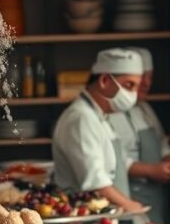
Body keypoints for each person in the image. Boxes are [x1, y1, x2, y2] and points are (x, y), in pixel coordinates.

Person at [51, 48, 148, 214]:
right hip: (86, 221)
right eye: (129, 85)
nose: (133, 94)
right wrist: (132, 208)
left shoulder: (99, 117)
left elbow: (117, 165)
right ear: (104, 80)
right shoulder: (81, 118)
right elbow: (96, 183)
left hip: (106, 217)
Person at [108, 46, 170, 224]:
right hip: (130, 194)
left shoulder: (145, 108)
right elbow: (115, 159)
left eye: (150, 76)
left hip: (156, 193)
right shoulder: (110, 113)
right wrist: (151, 170)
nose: (147, 83)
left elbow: (162, 142)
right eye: (142, 77)